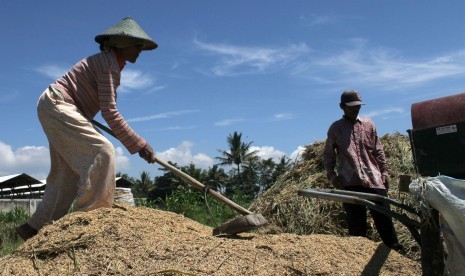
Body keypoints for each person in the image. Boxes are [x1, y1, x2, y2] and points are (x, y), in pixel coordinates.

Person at [16, 17, 158, 240]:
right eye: (136, 45)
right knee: (102, 151)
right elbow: (110, 112)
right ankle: (89, 221)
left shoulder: (110, 64)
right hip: (58, 105)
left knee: (66, 174)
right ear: (121, 43)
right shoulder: (109, 65)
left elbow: (105, 109)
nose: (140, 50)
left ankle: (35, 228)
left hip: (55, 106)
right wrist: (140, 144)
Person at [322, 89, 402, 250]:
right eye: (351, 106)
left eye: (358, 105)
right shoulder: (336, 129)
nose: (355, 108)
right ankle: (359, 257)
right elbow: (328, 155)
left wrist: (384, 172)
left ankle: (394, 251)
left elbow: (378, 150)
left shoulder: (368, 124)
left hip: (374, 180)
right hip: (350, 182)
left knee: (385, 220)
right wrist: (332, 176)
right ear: (342, 106)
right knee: (357, 226)